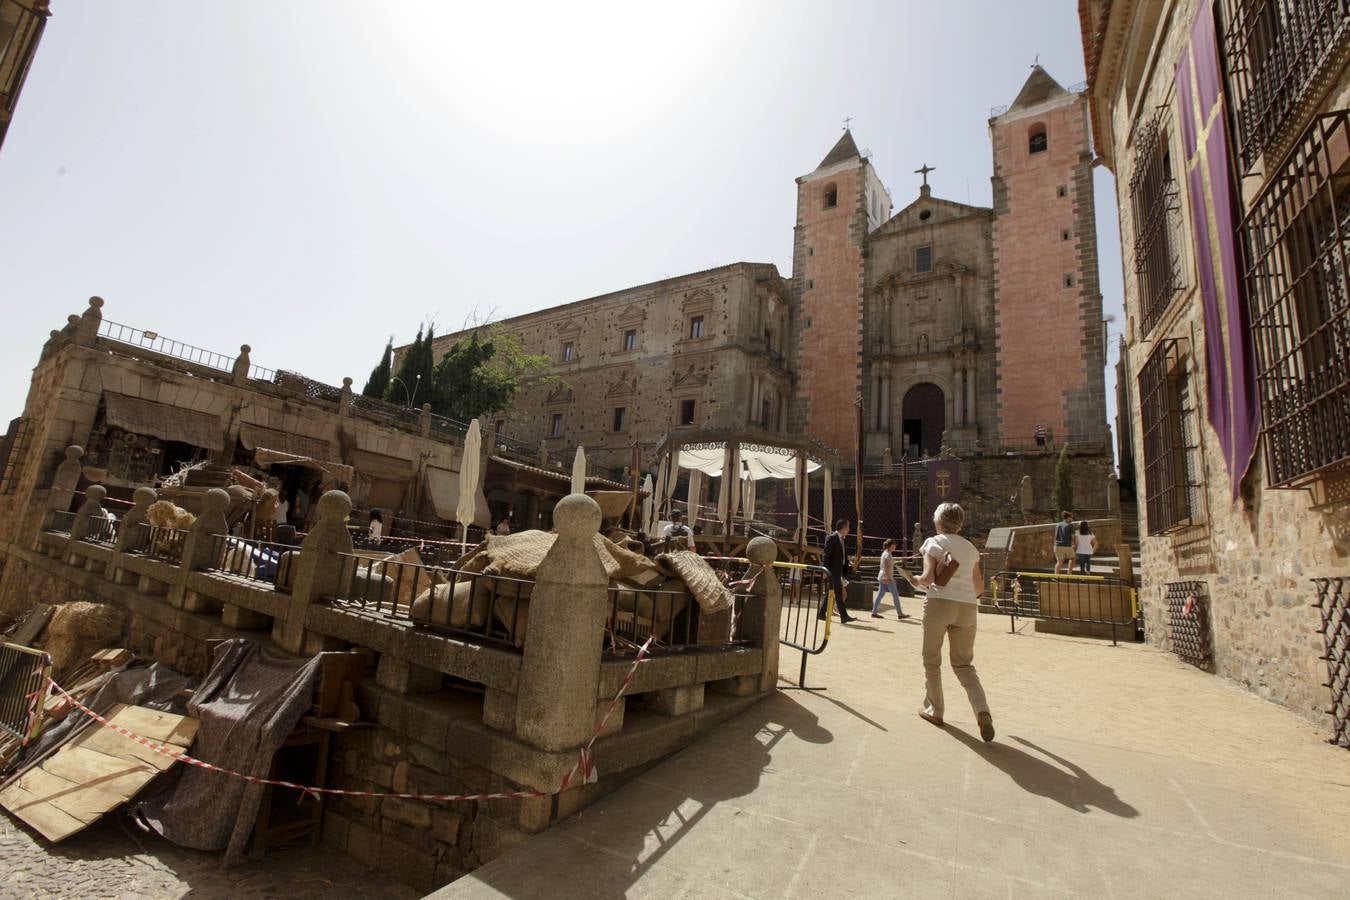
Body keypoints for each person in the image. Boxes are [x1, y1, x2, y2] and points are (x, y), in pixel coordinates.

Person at [903, 502, 994, 741]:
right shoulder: (971, 548)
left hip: (939, 603)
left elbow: (928, 577)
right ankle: (982, 709)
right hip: (967, 607)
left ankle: (935, 709)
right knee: (964, 665)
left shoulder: (934, 542)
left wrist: (915, 580)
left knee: (932, 659)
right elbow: (979, 587)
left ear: (939, 522)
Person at [819, 519, 858, 624]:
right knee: (838, 593)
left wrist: (848, 566)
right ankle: (844, 617)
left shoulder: (841, 539)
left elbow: (842, 557)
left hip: (838, 571)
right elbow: (826, 555)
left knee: (832, 592)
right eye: (848, 527)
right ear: (843, 528)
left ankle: (821, 613)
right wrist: (824, 570)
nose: (849, 529)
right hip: (832, 571)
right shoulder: (832, 538)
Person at [871, 538, 909, 620]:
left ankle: (874, 612)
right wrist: (889, 578)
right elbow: (886, 567)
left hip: (882, 577)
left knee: (880, 594)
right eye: (894, 545)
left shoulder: (886, 553)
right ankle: (900, 613)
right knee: (895, 595)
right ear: (891, 545)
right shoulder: (888, 554)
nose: (895, 547)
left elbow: (886, 565)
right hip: (886, 577)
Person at [1053, 510, 1075, 575]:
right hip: (1066, 545)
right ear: (1068, 517)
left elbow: (1055, 535)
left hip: (1057, 546)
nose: (1072, 519)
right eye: (1071, 517)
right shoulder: (1070, 525)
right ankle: (1069, 573)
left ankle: (1055, 576)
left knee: (1059, 562)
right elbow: (1073, 536)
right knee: (1073, 558)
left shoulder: (1058, 525)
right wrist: (1073, 543)